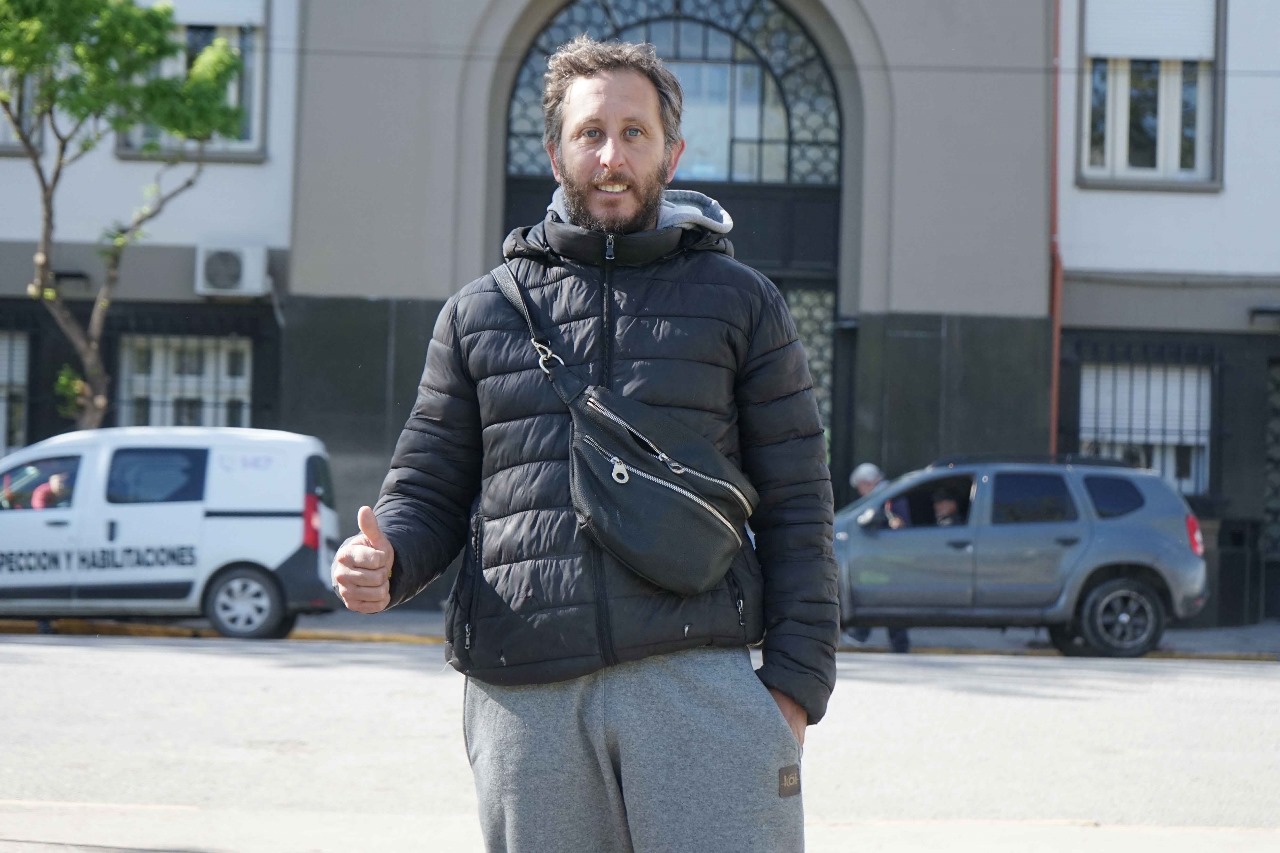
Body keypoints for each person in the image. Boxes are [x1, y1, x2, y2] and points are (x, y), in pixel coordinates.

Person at [331, 36, 837, 853]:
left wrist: (793, 690)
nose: (611, 156)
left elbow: (799, 504)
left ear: (672, 154)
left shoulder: (742, 303)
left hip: (699, 687)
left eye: (634, 133)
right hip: (526, 699)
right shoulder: (480, 312)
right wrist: (384, 561)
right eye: (590, 133)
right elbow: (426, 488)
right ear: (554, 151)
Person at [845, 463, 911, 654]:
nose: (860, 491)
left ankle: (865, 633)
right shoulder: (887, 494)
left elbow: (899, 523)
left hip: (889, 555)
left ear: (867, 483)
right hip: (885, 555)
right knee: (883, 596)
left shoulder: (886, 497)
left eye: (860, 486)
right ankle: (868, 634)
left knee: (885, 596)